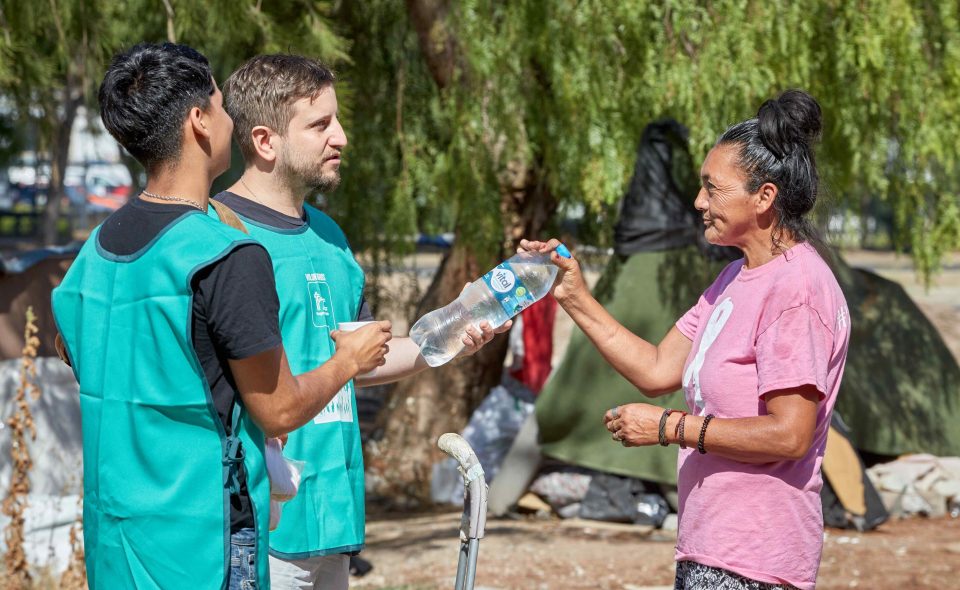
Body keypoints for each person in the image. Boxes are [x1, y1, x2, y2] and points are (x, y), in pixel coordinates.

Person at [51, 43, 391, 590]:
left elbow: (76, 347)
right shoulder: (224, 252)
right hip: (202, 540)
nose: (232, 119)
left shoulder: (98, 245)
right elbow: (278, 410)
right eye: (221, 105)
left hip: (117, 536)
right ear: (199, 123)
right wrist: (347, 361)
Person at [523, 90, 849, 590]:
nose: (698, 202)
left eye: (712, 189)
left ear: (764, 197)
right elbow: (657, 368)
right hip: (708, 549)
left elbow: (789, 434)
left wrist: (670, 427)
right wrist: (574, 296)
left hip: (755, 563)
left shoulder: (797, 289)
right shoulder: (733, 280)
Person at [212, 54, 508, 590]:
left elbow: (356, 362)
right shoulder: (217, 235)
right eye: (320, 124)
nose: (341, 137)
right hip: (260, 524)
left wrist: (456, 333)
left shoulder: (329, 235)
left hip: (336, 517)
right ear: (264, 141)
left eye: (337, 120)